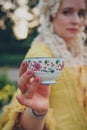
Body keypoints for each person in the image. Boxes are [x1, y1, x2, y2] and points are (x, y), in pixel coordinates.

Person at [0, 0, 87, 130]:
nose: (76, 20)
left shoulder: (79, 52)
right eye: (67, 12)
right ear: (50, 15)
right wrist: (37, 113)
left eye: (81, 13)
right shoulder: (40, 55)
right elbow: (23, 114)